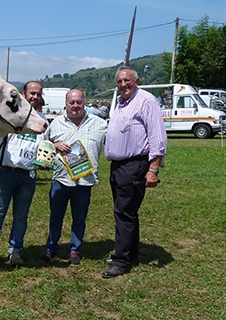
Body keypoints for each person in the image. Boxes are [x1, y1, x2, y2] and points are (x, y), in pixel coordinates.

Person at [102, 66, 167, 279]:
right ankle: (131, 253)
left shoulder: (146, 101)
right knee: (127, 212)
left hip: (134, 164)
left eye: (127, 80)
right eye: (119, 81)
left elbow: (157, 136)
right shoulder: (121, 102)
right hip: (119, 166)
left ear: (136, 80)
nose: (123, 84)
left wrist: (153, 169)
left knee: (124, 212)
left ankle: (121, 260)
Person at [0, 81, 48, 267]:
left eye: (38, 93)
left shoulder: (43, 121)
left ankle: (15, 251)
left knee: (21, 216)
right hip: (5, 173)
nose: (34, 96)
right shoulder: (8, 115)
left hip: (28, 176)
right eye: (32, 93)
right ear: (23, 94)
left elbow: (45, 147)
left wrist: (45, 161)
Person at [39, 89, 107, 265]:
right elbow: (43, 145)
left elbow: (115, 144)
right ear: (66, 104)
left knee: (79, 219)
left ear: (84, 103)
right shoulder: (55, 124)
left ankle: (75, 250)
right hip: (60, 180)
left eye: (79, 102)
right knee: (56, 216)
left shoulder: (100, 124)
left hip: (85, 181)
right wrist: (55, 145)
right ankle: (51, 247)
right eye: (72, 102)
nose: (75, 105)